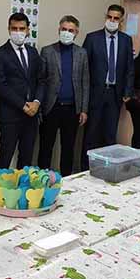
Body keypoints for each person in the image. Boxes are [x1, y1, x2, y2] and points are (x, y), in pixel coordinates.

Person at [81, 5, 134, 170]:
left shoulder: (126, 40)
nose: (112, 20)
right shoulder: (92, 38)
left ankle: (106, 170)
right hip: (95, 93)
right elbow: (84, 68)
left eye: (116, 18)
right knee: (91, 134)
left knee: (110, 135)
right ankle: (85, 170)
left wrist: (127, 91)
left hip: (115, 94)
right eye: (109, 17)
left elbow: (129, 68)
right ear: (106, 17)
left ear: (121, 21)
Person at [0, 13, 46, 169]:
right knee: (5, 157)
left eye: (21, 28)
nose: (18, 32)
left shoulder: (33, 52)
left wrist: (36, 102)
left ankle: (23, 186)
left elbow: (41, 81)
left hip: (31, 116)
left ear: (28, 30)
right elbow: (0, 85)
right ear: (8, 29)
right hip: (11, 115)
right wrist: (23, 105)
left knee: (26, 158)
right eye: (14, 28)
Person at [38, 16, 90, 176]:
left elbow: (85, 82)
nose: (67, 32)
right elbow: (41, 80)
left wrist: (84, 109)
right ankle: (42, 179)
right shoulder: (47, 51)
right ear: (59, 30)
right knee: (46, 147)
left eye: (71, 30)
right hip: (51, 107)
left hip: (72, 109)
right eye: (64, 29)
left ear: (76, 33)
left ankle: (67, 180)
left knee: (68, 148)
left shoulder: (82, 53)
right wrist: (39, 105)